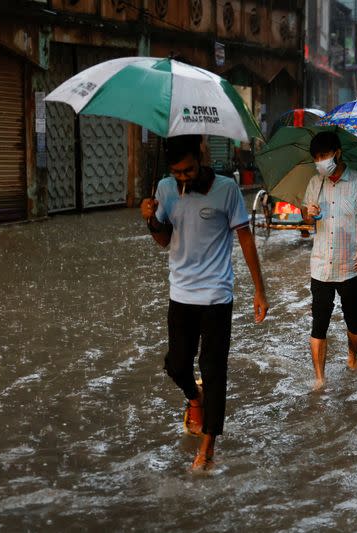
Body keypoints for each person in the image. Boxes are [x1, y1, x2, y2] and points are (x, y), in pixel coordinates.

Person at [140, 134, 269, 471]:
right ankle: (194, 399)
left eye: (188, 170)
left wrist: (259, 289)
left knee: (213, 370)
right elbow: (164, 241)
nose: (183, 177)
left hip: (216, 295)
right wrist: (152, 218)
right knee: (176, 365)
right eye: (177, 172)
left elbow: (245, 239)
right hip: (180, 294)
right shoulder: (165, 188)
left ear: (201, 154)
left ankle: (208, 445)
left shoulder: (227, 190)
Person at [301, 131, 357, 390]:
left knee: (354, 324)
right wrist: (309, 214)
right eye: (316, 158)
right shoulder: (315, 183)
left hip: (351, 266)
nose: (320, 161)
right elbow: (307, 219)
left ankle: (352, 357)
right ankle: (320, 379)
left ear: (337, 153)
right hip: (321, 265)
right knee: (318, 324)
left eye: (324, 156)